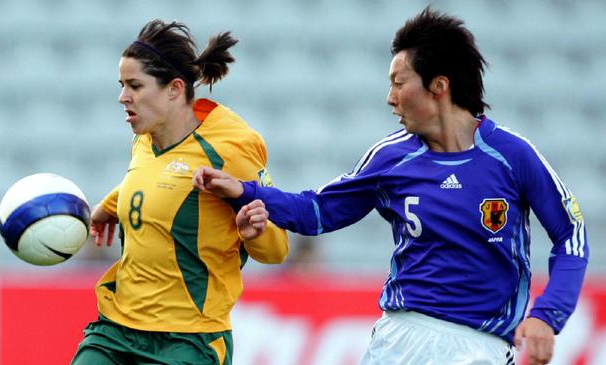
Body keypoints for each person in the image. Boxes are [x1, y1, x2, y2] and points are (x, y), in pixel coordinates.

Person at [193, 7, 589, 365]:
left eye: (399, 83)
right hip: (397, 338)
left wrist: (547, 316)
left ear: (439, 85)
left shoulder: (512, 156)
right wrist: (244, 191)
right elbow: (318, 212)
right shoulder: (392, 158)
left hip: (477, 347)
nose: (390, 98)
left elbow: (571, 237)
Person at [71, 19, 289, 365]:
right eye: (122, 85)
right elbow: (154, 181)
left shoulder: (230, 148)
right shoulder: (144, 140)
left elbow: (277, 250)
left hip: (188, 341)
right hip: (116, 330)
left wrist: (255, 232)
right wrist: (107, 207)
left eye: (134, 86)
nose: (122, 97)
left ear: (174, 89)